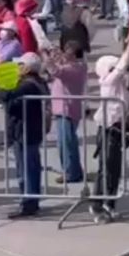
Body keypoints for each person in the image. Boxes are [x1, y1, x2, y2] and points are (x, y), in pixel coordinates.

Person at [0, 52, 50, 219]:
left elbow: (9, 96)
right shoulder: (36, 82)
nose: (18, 68)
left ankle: (29, 202)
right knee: (27, 167)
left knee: (27, 169)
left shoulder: (29, 85)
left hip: (26, 131)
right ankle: (30, 200)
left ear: (28, 68)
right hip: (26, 130)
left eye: (21, 65)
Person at [90, 38, 129, 221]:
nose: (119, 71)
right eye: (113, 67)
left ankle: (110, 203)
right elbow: (124, 64)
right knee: (105, 169)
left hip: (120, 129)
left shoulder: (120, 87)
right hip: (108, 130)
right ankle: (97, 205)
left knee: (115, 169)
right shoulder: (108, 83)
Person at [45, 39, 88, 184]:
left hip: (67, 109)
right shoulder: (71, 66)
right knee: (68, 142)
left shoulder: (76, 68)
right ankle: (74, 170)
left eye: (68, 52)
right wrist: (56, 55)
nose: (64, 54)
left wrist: (46, 55)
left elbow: (55, 71)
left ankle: (70, 172)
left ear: (75, 55)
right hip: (61, 107)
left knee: (65, 143)